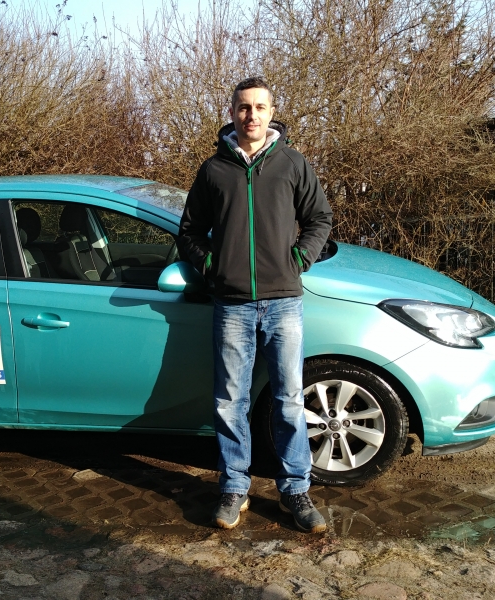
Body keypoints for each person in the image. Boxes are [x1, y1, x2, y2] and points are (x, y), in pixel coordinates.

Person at [178, 77, 333, 532]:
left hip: (284, 302)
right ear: (232, 112)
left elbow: (319, 218)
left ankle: (295, 489)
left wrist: (298, 259)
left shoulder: (292, 163)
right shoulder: (213, 170)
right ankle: (233, 487)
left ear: (271, 112)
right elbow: (188, 232)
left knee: (288, 400)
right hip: (231, 304)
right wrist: (213, 266)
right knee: (230, 401)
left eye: (259, 107)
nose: (251, 116)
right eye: (244, 107)